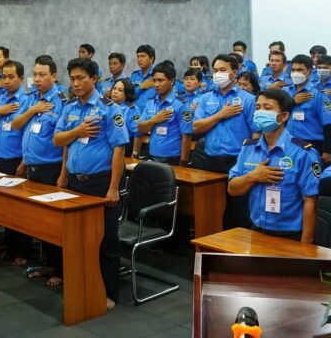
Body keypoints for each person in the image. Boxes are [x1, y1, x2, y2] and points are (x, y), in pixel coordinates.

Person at [54, 58, 128, 311]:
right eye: (72, 78)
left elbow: (119, 149)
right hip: (75, 181)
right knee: (78, 238)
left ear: (94, 79)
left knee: (106, 241)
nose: (75, 83)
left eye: (81, 78)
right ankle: (82, 284)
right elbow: (59, 140)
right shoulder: (70, 107)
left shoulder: (109, 109)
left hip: (100, 182)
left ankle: (109, 293)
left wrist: (113, 187)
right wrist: (77, 132)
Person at [228, 89, 320, 242]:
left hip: (291, 235)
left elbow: (311, 201)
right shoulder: (249, 148)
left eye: (267, 108)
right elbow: (232, 189)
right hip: (256, 229)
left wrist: (306, 244)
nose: (260, 112)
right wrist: (252, 177)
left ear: (284, 116)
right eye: (258, 107)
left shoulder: (303, 153)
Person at [12, 55, 68, 287]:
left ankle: (62, 270)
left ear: (53, 76)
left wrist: (63, 174)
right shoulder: (31, 99)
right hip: (32, 168)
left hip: (51, 169)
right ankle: (49, 264)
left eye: (42, 75)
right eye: (34, 74)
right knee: (41, 222)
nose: (36, 79)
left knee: (54, 223)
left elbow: (65, 142)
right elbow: (16, 124)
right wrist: (33, 109)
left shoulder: (62, 101)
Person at [192, 54, 259, 227]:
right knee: (212, 211)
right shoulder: (206, 98)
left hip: (237, 162)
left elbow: (256, 134)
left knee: (239, 213)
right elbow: (197, 127)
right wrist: (220, 115)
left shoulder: (248, 99)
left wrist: (251, 161)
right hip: (211, 161)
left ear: (234, 73)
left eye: (222, 70)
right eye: (215, 70)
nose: (218, 74)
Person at [0, 60, 31, 265]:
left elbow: (28, 134)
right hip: (1, 160)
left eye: (11, 77)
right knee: (6, 207)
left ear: (21, 78)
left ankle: (23, 251)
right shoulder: (0, 98)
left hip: (18, 161)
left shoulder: (26, 101)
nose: (7, 81)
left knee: (20, 209)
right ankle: (10, 249)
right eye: (4, 77)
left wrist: (25, 162)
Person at [136, 62, 193, 166]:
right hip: (152, 156)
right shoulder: (151, 103)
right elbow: (140, 129)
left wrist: (183, 162)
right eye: (154, 80)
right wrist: (154, 120)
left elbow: (187, 136)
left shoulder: (181, 105)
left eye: (160, 80)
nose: (156, 84)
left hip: (173, 159)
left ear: (171, 81)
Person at [283, 55, 331, 160]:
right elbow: (277, 113)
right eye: (293, 70)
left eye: (300, 70)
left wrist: (328, 151)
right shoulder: (285, 92)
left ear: (309, 72)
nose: (295, 73)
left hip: (312, 145)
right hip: (288, 143)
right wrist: (292, 102)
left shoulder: (319, 94)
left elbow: (328, 124)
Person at [110, 78, 140, 156]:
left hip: (124, 145)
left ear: (127, 94)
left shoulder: (132, 109)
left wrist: (135, 154)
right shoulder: (107, 105)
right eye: (114, 88)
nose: (115, 91)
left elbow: (137, 133)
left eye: (120, 90)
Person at [131, 44, 156, 111]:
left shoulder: (157, 76)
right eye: (138, 56)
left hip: (150, 114)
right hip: (134, 113)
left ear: (151, 58)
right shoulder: (134, 75)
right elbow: (128, 96)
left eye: (142, 56)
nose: (139, 59)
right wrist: (140, 87)